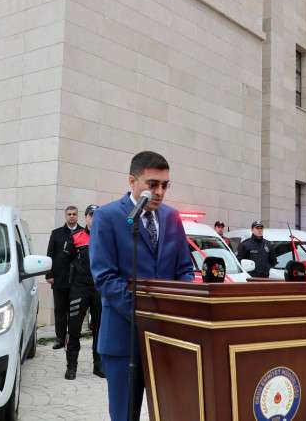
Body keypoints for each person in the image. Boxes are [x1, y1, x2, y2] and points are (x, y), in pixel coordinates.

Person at [90, 151, 194, 421]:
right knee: (125, 415)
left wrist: (178, 308)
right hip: (123, 338)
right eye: (153, 184)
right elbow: (105, 277)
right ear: (132, 181)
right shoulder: (107, 216)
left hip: (167, 339)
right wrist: (146, 315)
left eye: (165, 185)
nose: (159, 192)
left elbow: (184, 269)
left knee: (172, 412)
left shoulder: (172, 217)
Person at [65, 204, 104, 380]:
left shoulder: (107, 237)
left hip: (99, 288)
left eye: (98, 215)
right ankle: (71, 367)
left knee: (100, 329)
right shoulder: (76, 237)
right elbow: (64, 263)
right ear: (86, 217)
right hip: (79, 288)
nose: (94, 219)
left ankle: (99, 366)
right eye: (91, 215)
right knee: (74, 328)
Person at [46, 206, 83, 350]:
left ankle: (73, 339)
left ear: (77, 216)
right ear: (65, 216)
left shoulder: (83, 233)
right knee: (60, 310)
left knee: (75, 311)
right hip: (59, 278)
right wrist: (49, 274)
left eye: (74, 214)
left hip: (77, 280)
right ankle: (60, 338)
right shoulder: (56, 233)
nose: (72, 216)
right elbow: (50, 254)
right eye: (69, 214)